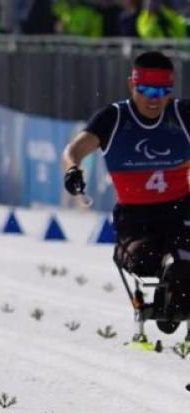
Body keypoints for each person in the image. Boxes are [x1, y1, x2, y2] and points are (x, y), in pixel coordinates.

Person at [61, 50, 190, 334]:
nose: (153, 98)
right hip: (135, 220)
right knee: (145, 262)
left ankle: (176, 297)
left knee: (184, 265)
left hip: (181, 213)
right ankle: (168, 297)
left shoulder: (183, 115)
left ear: (171, 90)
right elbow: (74, 150)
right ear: (132, 85)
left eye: (161, 91)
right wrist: (72, 169)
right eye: (145, 89)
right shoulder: (113, 118)